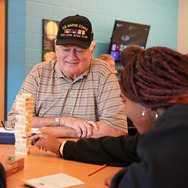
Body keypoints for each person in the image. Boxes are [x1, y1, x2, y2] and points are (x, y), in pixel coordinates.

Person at [30, 46, 188, 188]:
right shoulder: (168, 128)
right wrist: (61, 147)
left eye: (124, 101)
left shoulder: (179, 126)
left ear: (148, 107)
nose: (124, 110)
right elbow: (125, 148)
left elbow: (148, 180)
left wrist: (120, 179)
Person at [8, 14, 127, 138]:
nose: (72, 57)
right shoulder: (39, 72)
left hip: (81, 156)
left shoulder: (103, 73)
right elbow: (14, 121)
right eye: (65, 49)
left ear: (92, 48)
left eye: (79, 50)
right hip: (39, 154)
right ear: (56, 46)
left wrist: (57, 131)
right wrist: (62, 120)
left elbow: (116, 129)